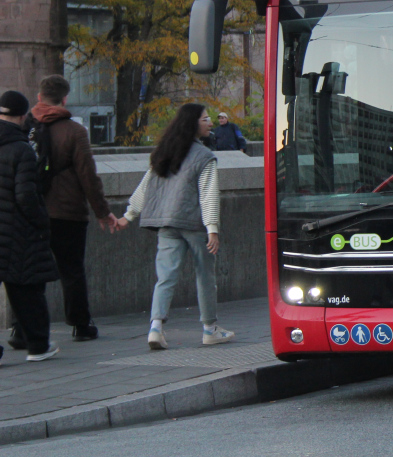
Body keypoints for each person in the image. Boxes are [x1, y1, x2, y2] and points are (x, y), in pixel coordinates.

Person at [16, 75, 124, 346]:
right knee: (71, 270)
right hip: (67, 212)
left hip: (30, 211)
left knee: (28, 272)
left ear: (39, 97)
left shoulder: (24, 127)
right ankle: (80, 324)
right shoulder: (75, 132)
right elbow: (88, 176)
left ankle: (21, 329)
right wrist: (102, 211)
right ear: (65, 99)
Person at [121, 103, 234, 349]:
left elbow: (146, 186)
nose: (211, 123)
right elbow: (208, 194)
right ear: (194, 123)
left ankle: (155, 327)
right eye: (206, 119)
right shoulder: (204, 156)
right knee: (205, 275)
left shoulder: (165, 151)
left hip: (165, 223)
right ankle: (209, 329)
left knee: (165, 277)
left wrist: (128, 215)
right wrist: (212, 229)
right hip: (193, 223)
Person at [0, 90, 60, 363]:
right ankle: (38, 345)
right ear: (23, 115)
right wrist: (40, 221)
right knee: (26, 289)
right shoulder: (21, 149)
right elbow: (25, 195)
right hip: (16, 231)